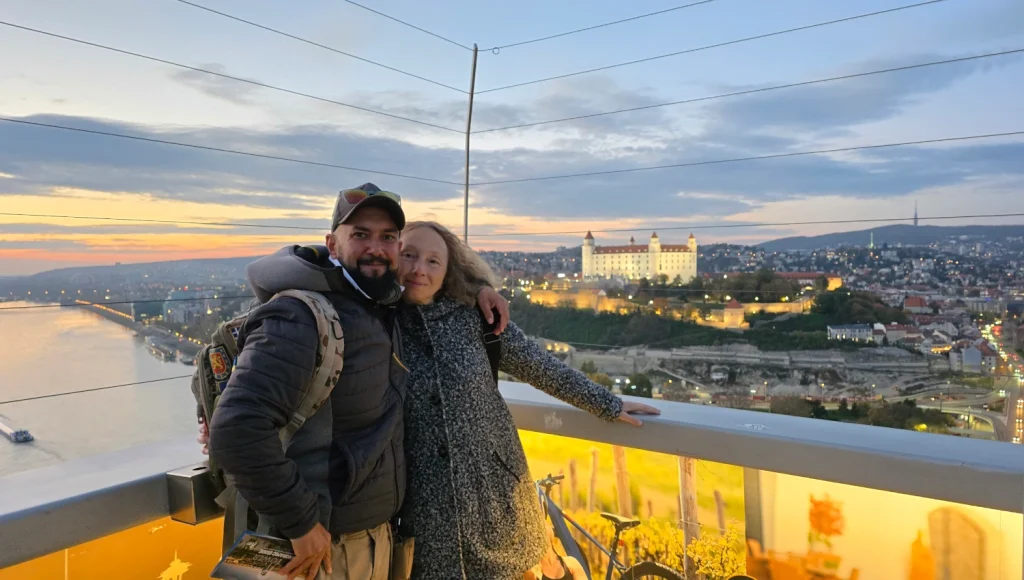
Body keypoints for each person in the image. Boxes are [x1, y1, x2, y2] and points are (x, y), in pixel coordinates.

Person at [206, 184, 508, 580]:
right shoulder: (300, 317)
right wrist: (300, 524)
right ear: (332, 244)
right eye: (360, 234)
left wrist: (480, 289)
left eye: (387, 237)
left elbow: (433, 275)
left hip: (368, 539)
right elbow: (236, 430)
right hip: (323, 547)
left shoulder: (378, 306)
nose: (376, 248)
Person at [394, 221, 660, 580]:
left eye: (432, 261)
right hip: (420, 510)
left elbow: (539, 366)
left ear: (449, 270)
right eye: (408, 255)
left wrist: (607, 403)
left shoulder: (478, 317)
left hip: (496, 497)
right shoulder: (378, 320)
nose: (418, 269)